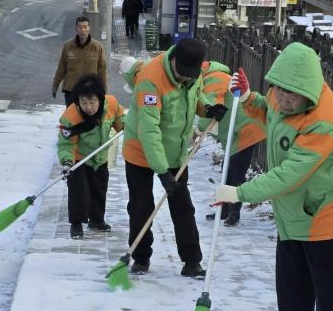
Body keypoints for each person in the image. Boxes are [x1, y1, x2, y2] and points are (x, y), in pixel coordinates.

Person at [214, 42, 333, 311]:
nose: (282, 99)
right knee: (292, 287)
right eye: (278, 90)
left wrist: (238, 192)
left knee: (328, 294)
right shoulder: (282, 97)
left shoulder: (325, 121)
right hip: (293, 212)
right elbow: (270, 114)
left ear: (308, 91)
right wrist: (250, 97)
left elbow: (289, 175)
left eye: (291, 95)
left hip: (323, 214)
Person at [122, 38, 227, 277]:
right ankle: (140, 257)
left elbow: (194, 98)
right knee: (141, 207)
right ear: (173, 60)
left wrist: (208, 108)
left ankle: (192, 261)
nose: (185, 78)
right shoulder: (150, 79)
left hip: (175, 152)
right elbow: (149, 131)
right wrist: (162, 172)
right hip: (140, 151)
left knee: (183, 207)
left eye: (191, 74)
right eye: (182, 73)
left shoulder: (192, 74)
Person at [197, 60, 265, 226]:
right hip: (235, 133)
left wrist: (199, 130)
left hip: (244, 132)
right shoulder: (213, 76)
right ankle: (225, 210)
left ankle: (234, 214)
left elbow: (212, 107)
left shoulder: (215, 78)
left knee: (236, 173)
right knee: (227, 170)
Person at [58, 75, 124, 239]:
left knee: (99, 189)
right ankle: (76, 223)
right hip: (78, 158)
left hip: (100, 156)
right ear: (78, 102)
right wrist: (67, 162)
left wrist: (126, 126)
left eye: (92, 102)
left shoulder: (111, 104)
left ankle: (96, 220)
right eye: (84, 102)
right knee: (79, 191)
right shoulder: (70, 117)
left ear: (100, 99)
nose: (89, 107)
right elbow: (66, 144)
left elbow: (120, 120)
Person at [52, 16, 107, 106]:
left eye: (85, 27)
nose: (82, 30)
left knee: (88, 114)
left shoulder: (97, 47)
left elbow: (102, 70)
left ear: (89, 28)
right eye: (80, 27)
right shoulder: (68, 46)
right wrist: (55, 85)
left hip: (90, 90)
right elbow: (61, 68)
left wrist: (103, 89)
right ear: (76, 29)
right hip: (71, 90)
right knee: (72, 114)